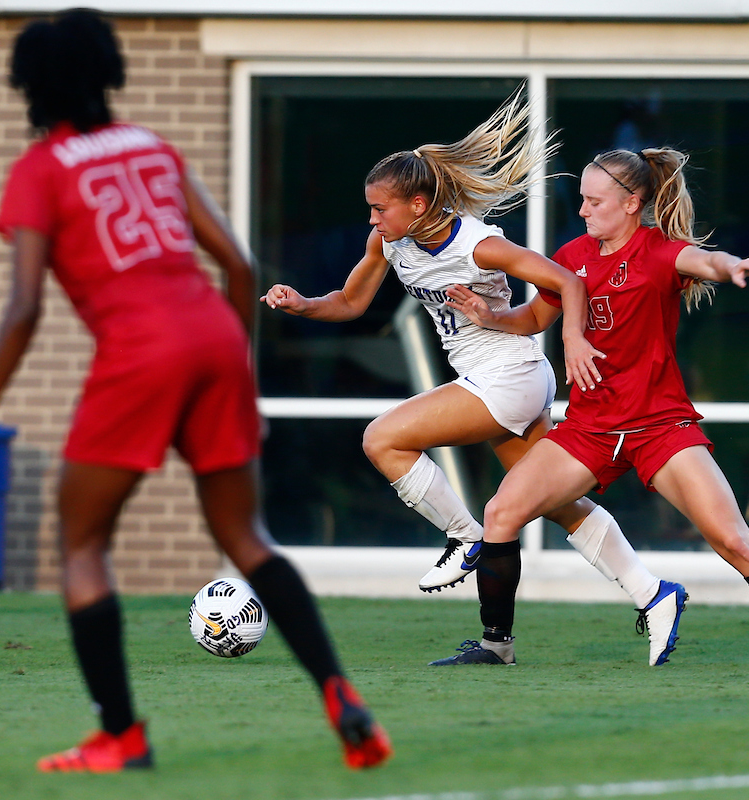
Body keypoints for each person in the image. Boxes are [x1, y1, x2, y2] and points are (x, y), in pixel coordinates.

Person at [0, 10, 389, 773]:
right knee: (245, 539)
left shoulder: (40, 169)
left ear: (29, 86)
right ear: (108, 72)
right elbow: (242, 266)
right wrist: (241, 383)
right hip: (215, 339)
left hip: (139, 352)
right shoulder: (153, 146)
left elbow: (23, 307)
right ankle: (341, 696)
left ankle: (120, 735)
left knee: (83, 544)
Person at [260, 91, 689, 667]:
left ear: (417, 204)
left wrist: (572, 339)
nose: (372, 219)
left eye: (380, 209)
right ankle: (652, 593)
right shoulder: (390, 240)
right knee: (557, 505)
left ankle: (465, 538)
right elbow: (350, 301)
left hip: (508, 375)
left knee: (381, 437)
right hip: (497, 378)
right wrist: (301, 304)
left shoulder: (480, 246)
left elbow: (570, 282)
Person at [435, 145, 749, 673]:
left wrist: (730, 266)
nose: (582, 211)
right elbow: (533, 318)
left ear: (632, 203)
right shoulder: (570, 258)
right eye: (582, 201)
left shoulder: (659, 252)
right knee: (501, 512)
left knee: (732, 540)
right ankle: (496, 645)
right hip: (590, 427)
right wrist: (488, 315)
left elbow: (703, 260)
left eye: (593, 201)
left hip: (660, 426)